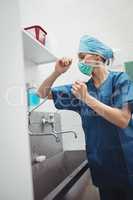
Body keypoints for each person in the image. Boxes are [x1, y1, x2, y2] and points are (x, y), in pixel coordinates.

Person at [37, 35, 133, 200]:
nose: (79, 61)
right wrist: (56, 72)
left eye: (82, 57)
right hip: (102, 167)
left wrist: (87, 99)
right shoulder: (80, 89)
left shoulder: (120, 80)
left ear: (97, 56)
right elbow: (42, 93)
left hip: (126, 164)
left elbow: (123, 119)